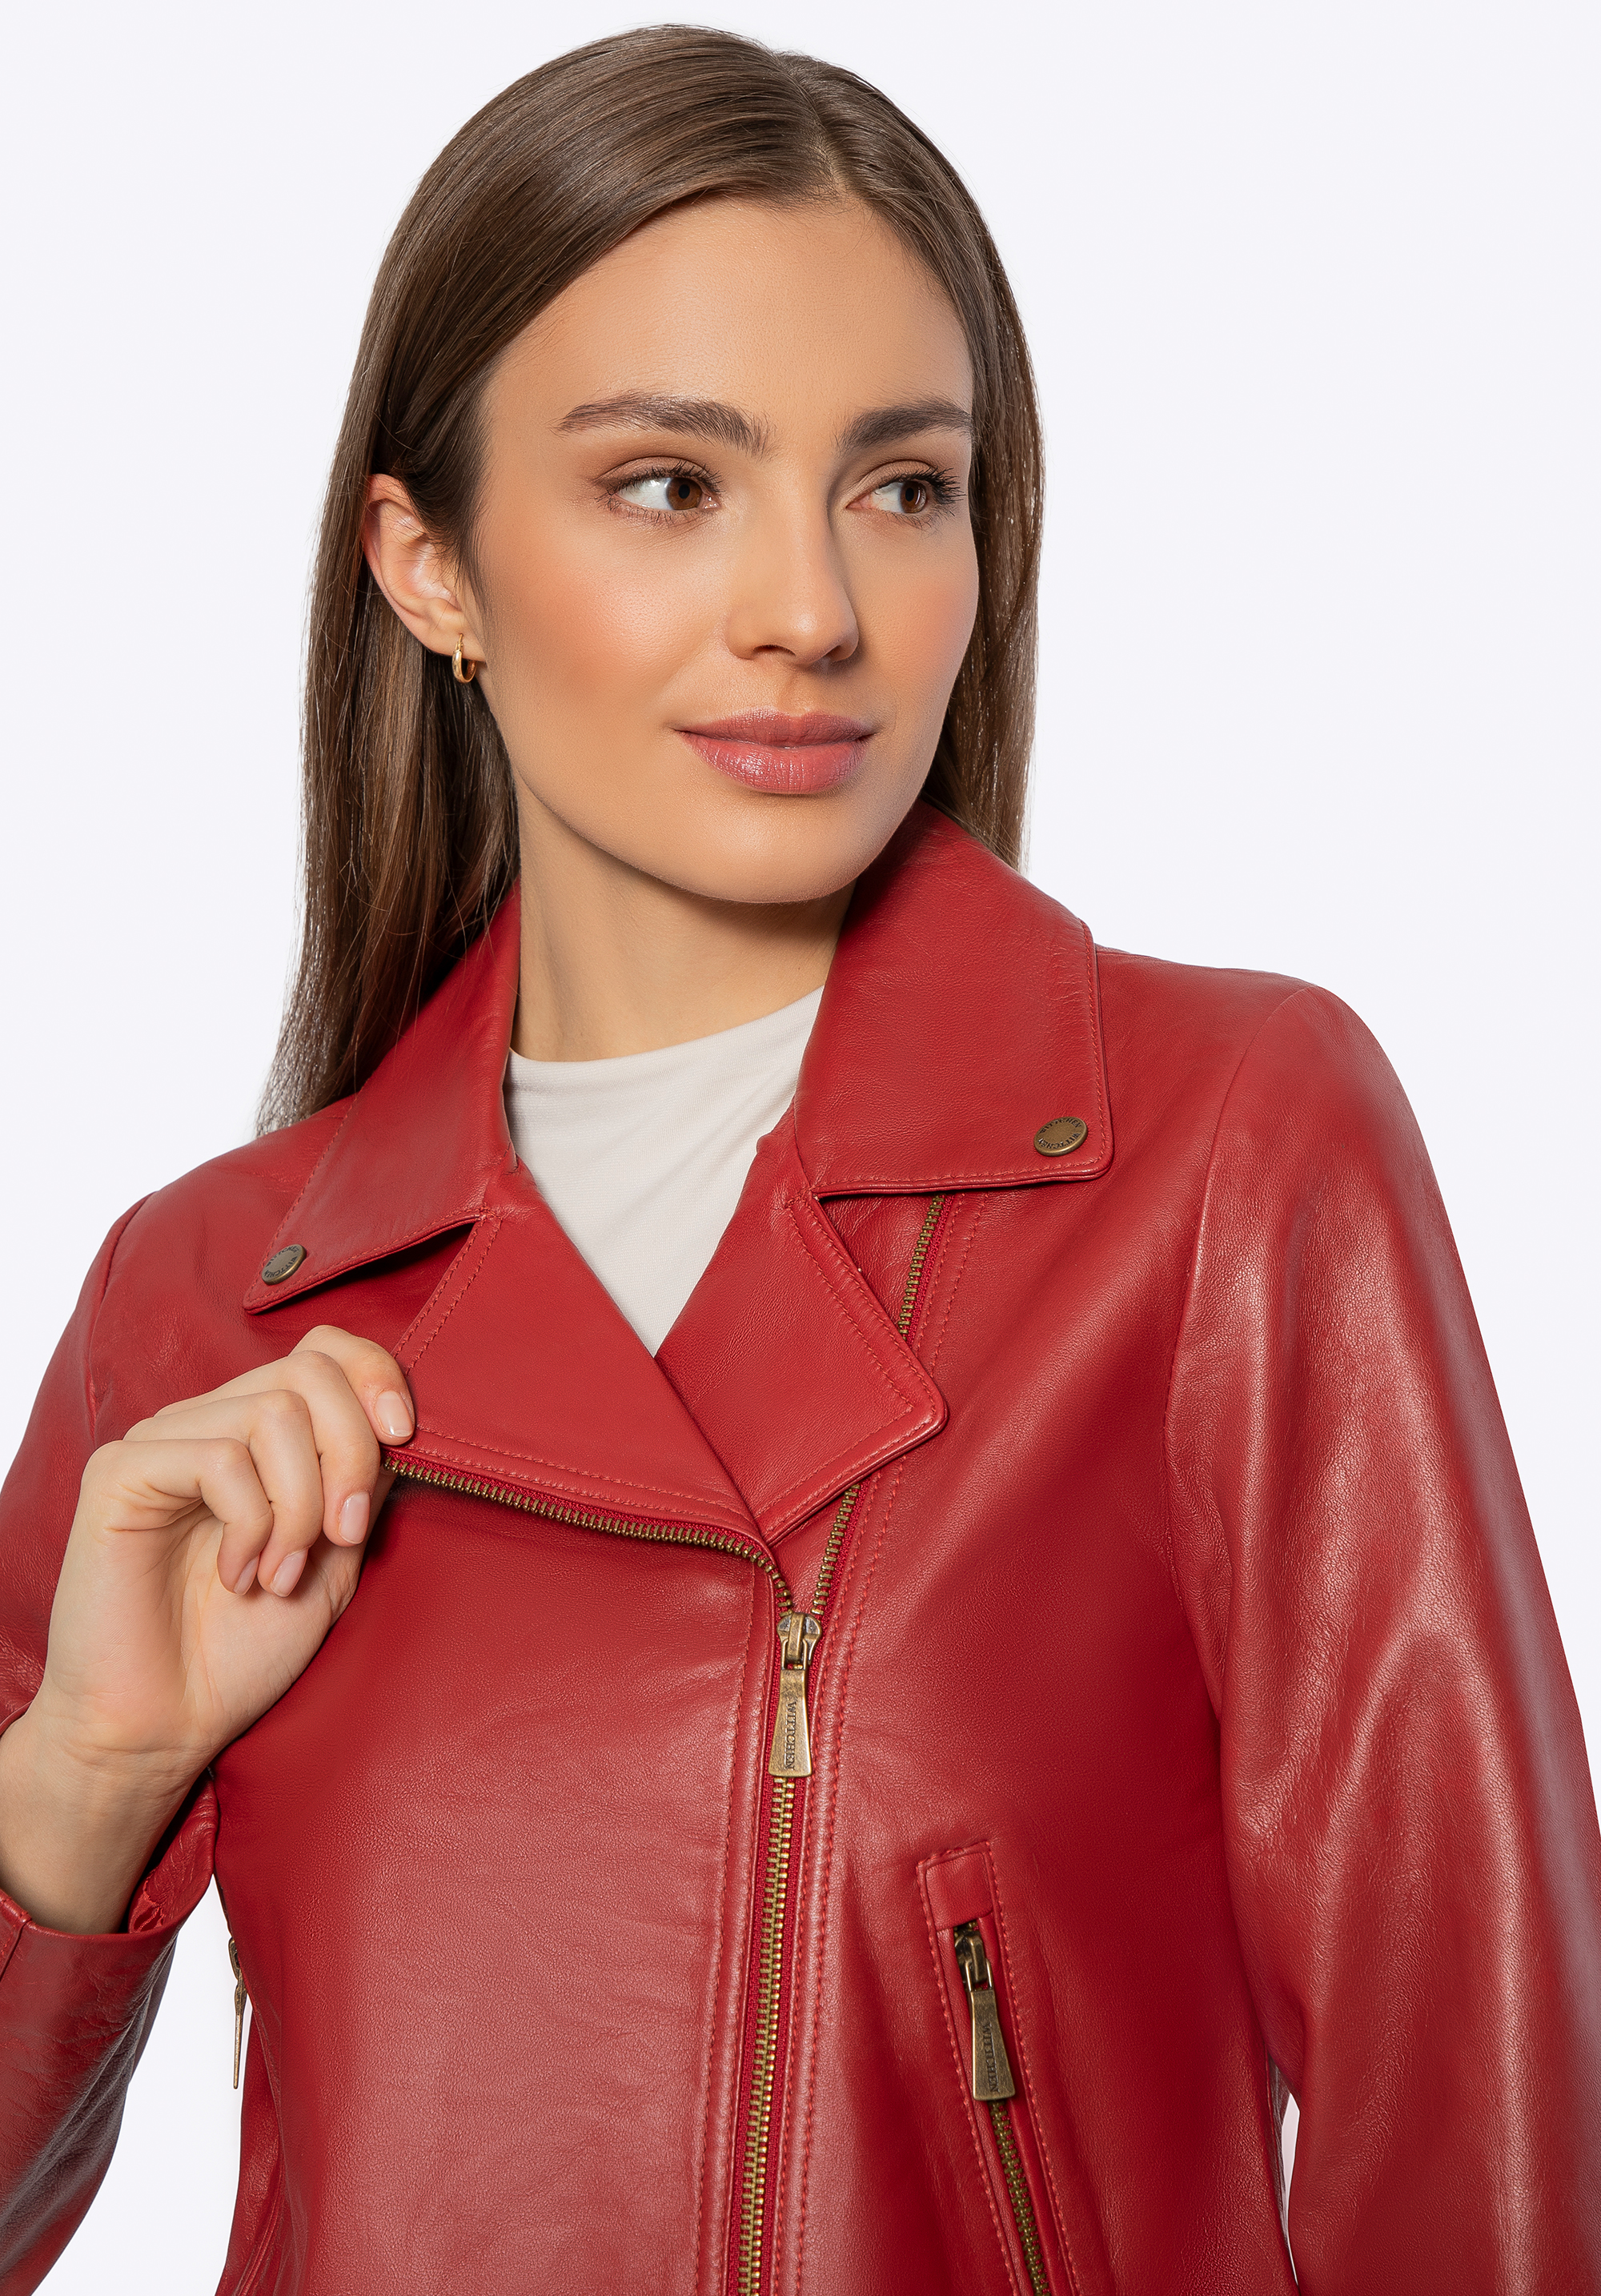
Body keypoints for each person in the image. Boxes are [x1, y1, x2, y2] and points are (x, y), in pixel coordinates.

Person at [1, 24, 1596, 2295]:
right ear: (428, 565)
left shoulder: (1227, 1150)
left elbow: (1482, 2119)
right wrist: (79, 1782)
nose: (814, 609)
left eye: (903, 485)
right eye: (671, 483)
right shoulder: (209, 1299)